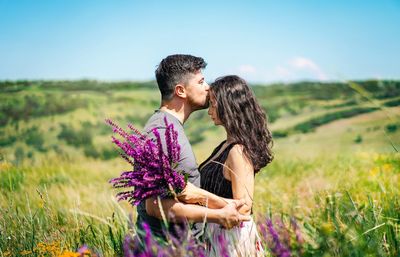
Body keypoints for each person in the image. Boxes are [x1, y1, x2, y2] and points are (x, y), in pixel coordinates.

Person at [136, 55, 250, 244]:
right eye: (201, 81)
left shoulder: (168, 127)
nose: (207, 87)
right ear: (180, 90)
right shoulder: (163, 132)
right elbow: (155, 206)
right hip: (165, 248)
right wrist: (219, 215)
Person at [199, 75, 274, 256]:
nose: (209, 111)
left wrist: (196, 198)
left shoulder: (238, 151)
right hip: (217, 234)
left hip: (231, 239)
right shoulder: (225, 146)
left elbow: (244, 207)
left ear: (228, 106)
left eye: (213, 104)